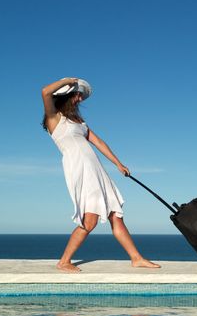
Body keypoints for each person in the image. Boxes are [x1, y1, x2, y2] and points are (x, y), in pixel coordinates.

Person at [41, 77, 161, 273]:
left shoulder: (78, 122)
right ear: (67, 94)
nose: (80, 99)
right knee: (90, 220)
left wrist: (118, 164)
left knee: (116, 214)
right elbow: (45, 91)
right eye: (77, 94)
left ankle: (136, 258)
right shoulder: (53, 118)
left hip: (96, 169)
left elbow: (99, 143)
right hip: (79, 170)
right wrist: (68, 80)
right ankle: (64, 261)